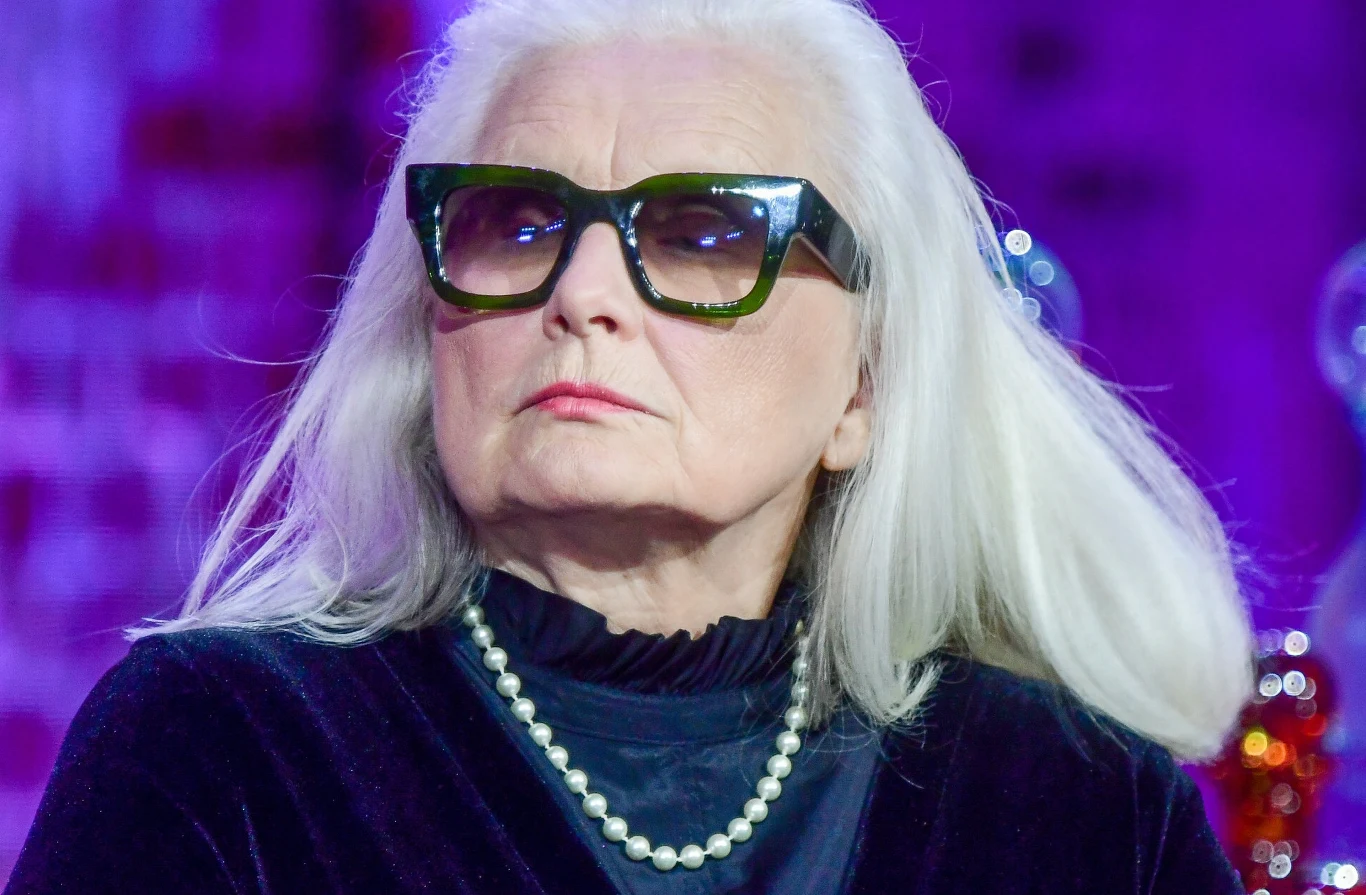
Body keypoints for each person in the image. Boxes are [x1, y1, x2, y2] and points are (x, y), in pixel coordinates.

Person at [5, 0, 1254, 892]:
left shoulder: (1074, 803)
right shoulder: (221, 748)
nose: (582, 294)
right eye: (513, 224)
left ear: (865, 385)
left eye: (704, 235)